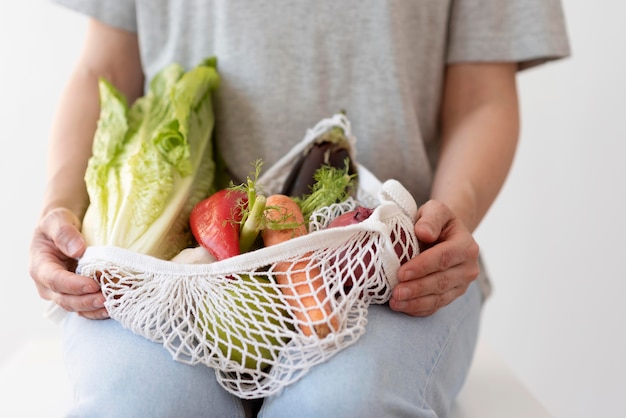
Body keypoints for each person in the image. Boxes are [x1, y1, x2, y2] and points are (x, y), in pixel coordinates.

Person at [29, 1, 570, 417]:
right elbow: (104, 68)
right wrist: (59, 209)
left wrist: (454, 211)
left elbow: (482, 96)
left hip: (391, 266)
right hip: (170, 270)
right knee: (141, 404)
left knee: (343, 404)